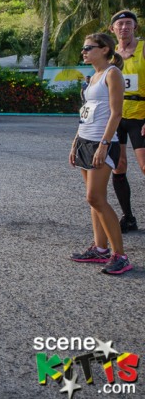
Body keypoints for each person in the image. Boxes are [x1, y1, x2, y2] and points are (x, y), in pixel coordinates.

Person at [69, 33, 132, 275]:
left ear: (105, 49)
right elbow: (85, 112)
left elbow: (116, 113)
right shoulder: (93, 76)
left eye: (88, 48)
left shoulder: (112, 73)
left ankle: (121, 255)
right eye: (83, 48)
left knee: (95, 198)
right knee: (94, 200)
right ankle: (100, 248)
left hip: (102, 142)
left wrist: (105, 143)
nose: (84, 52)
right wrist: (75, 142)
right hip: (85, 140)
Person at [109, 10, 145, 232]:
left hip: (140, 115)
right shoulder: (110, 54)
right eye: (120, 24)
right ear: (112, 28)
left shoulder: (143, 49)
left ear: (135, 27)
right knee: (118, 166)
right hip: (117, 116)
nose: (124, 27)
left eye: (128, 23)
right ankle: (128, 217)